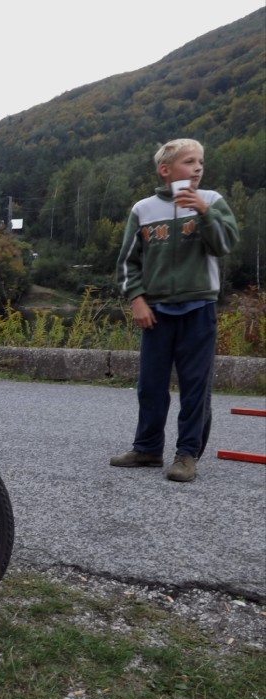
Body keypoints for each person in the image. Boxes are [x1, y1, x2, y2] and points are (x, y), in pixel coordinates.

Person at [110, 138, 239, 482]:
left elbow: (225, 244)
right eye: (189, 162)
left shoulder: (212, 201)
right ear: (165, 170)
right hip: (156, 311)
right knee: (150, 385)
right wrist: (137, 299)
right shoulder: (143, 209)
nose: (197, 168)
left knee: (195, 387)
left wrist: (204, 212)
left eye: (201, 162)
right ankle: (148, 448)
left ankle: (187, 455)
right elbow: (128, 263)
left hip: (199, 307)